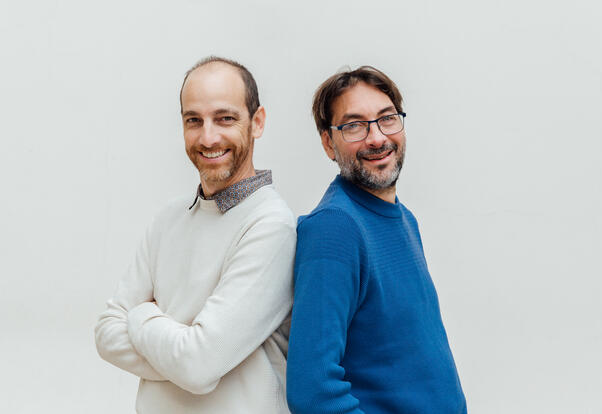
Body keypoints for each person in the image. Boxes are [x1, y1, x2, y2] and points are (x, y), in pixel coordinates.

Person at [94, 56, 296, 414]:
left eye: (225, 118)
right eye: (194, 120)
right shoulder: (167, 219)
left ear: (257, 122)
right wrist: (184, 354)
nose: (208, 137)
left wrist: (140, 316)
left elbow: (198, 365)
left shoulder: (270, 224)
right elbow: (107, 333)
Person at [286, 66, 467, 414]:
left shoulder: (405, 219)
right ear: (328, 143)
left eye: (387, 118)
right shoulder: (334, 228)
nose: (377, 138)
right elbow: (312, 391)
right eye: (354, 125)